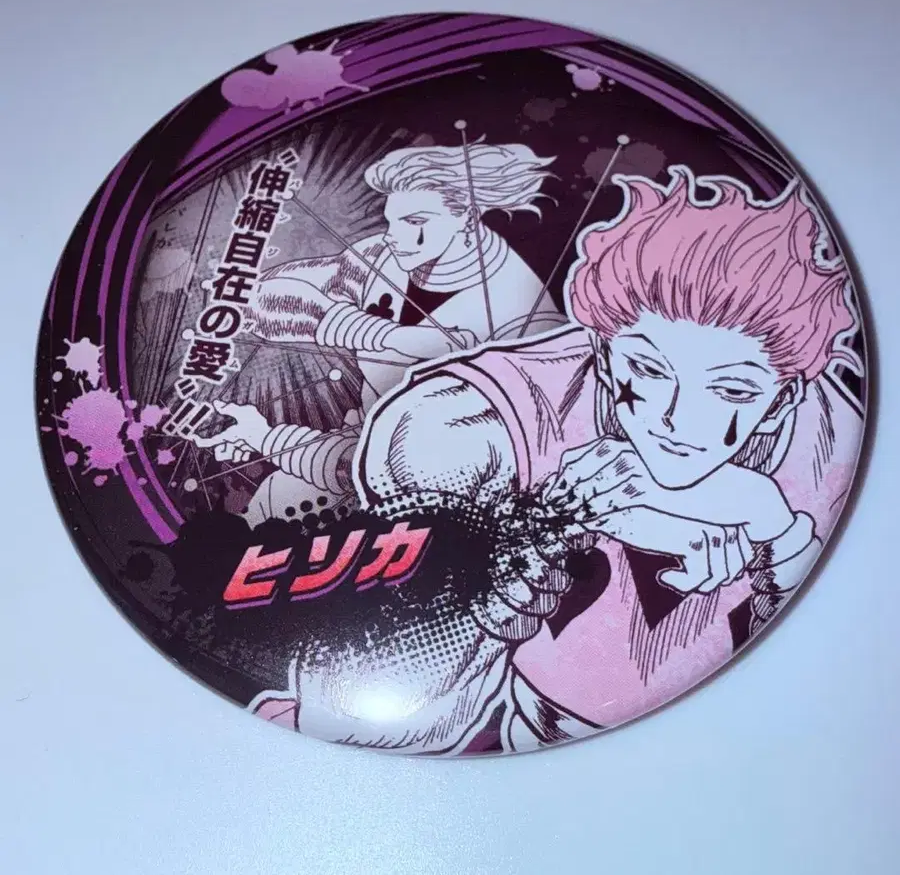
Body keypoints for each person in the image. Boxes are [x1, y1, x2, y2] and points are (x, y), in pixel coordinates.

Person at [249, 165, 864, 754]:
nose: (678, 419)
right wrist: (539, 525)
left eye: (730, 390)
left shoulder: (830, 441)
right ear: (602, 355)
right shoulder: (464, 426)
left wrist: (775, 532)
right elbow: (368, 689)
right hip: (527, 734)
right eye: (649, 371)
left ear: (783, 399)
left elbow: (834, 660)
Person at [197, 140, 566, 523]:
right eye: (393, 220)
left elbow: (392, 472)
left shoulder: (525, 321)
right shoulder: (383, 256)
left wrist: (267, 439)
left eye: (416, 222)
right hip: (348, 451)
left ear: (468, 217)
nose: (395, 235)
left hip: (437, 511)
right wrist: (387, 336)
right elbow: (261, 300)